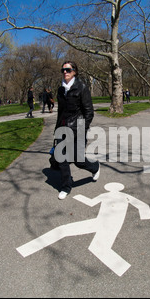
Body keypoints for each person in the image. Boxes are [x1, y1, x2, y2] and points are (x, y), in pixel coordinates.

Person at [54, 61, 100, 200]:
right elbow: (60, 112)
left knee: (78, 160)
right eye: (63, 70)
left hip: (78, 127)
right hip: (63, 127)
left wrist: (83, 128)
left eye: (68, 70)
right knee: (61, 158)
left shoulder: (82, 87)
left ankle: (95, 167)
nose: (65, 72)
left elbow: (89, 111)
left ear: (74, 71)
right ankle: (66, 186)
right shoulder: (61, 89)